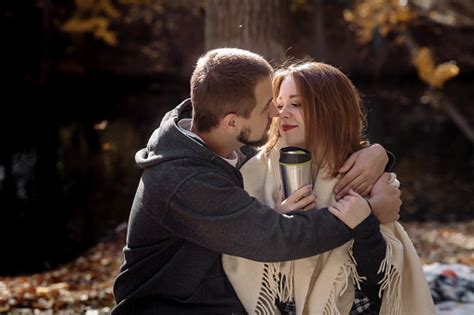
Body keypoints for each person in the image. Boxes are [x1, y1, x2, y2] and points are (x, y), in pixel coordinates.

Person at [112, 48, 401, 314]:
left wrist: (380, 155)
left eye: (289, 104)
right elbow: (275, 238)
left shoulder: (225, 146)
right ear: (232, 123)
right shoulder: (184, 180)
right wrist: (369, 212)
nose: (277, 113)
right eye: (269, 107)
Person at [223, 61, 435, 314]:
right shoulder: (250, 171)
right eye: (279, 105)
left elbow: (378, 283)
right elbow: (236, 256)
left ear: (331, 109)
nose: (282, 113)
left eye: (297, 104)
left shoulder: (363, 175)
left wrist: (365, 224)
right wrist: (276, 224)